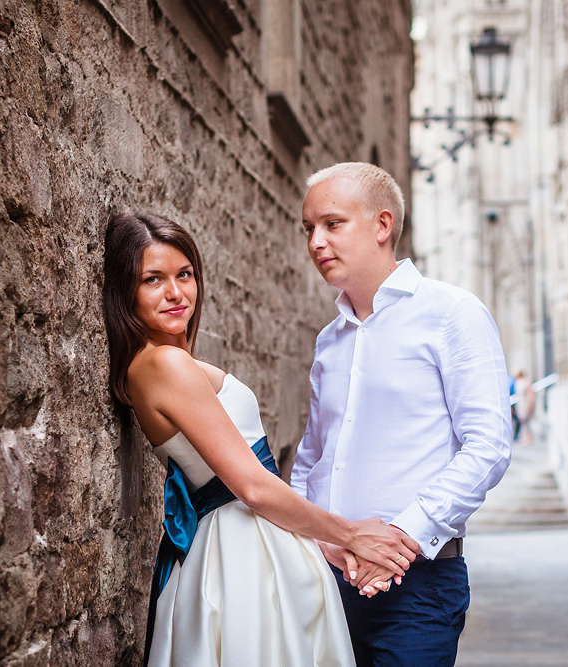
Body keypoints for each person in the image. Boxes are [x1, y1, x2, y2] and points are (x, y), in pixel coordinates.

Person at [102, 212, 421, 666]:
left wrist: (318, 539)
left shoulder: (167, 359)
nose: (176, 293)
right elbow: (251, 485)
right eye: (153, 279)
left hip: (257, 538)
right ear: (125, 290)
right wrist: (350, 535)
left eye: (185, 274)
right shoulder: (162, 365)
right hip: (241, 552)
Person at [292, 163, 512, 666]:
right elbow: (311, 458)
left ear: (382, 225)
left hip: (416, 588)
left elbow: (488, 446)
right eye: (308, 229)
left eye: (332, 223)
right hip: (325, 579)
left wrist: (401, 539)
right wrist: (316, 544)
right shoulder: (330, 340)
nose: (316, 242)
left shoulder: (453, 313)